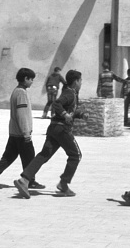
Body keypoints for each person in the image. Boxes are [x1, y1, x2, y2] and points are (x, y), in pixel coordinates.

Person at [15, 69, 85, 198]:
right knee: (76, 155)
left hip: (54, 129)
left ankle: (24, 180)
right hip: (62, 130)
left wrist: (77, 114)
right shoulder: (69, 93)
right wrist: (65, 115)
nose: (81, 83)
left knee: (44, 155)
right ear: (76, 82)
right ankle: (63, 184)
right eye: (80, 81)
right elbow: (57, 104)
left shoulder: (70, 93)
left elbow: (65, 107)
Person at [0, 68, 45, 190]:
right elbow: (22, 114)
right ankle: (30, 180)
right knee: (29, 157)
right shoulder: (21, 93)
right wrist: (26, 132)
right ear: (25, 79)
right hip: (21, 133)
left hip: (14, 132)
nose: (32, 82)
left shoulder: (16, 91)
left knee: (9, 157)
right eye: (31, 79)